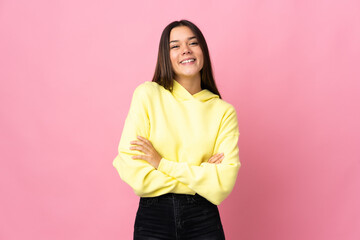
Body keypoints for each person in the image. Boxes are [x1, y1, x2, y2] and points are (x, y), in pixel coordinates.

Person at [112, 19, 241, 240]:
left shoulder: (223, 111)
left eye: (193, 43)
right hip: (154, 219)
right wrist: (200, 176)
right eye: (175, 46)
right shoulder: (148, 95)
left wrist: (161, 164)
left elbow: (223, 182)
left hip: (204, 220)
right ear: (166, 55)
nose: (185, 50)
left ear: (203, 51)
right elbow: (133, 171)